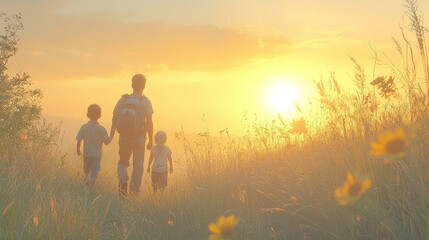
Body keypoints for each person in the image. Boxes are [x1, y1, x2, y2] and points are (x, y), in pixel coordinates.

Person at [110, 74, 153, 198]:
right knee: (138, 166)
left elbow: (114, 118)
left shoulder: (123, 99)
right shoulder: (145, 101)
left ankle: (123, 178)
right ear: (144, 86)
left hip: (124, 137)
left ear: (132, 85)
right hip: (140, 138)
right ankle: (134, 192)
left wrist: (112, 135)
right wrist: (150, 140)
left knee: (123, 161)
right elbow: (149, 122)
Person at [76, 104, 111, 189]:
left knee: (86, 171)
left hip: (87, 153)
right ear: (100, 116)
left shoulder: (84, 127)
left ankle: (84, 186)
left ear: (87, 115)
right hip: (97, 155)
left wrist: (78, 150)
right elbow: (107, 142)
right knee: (94, 173)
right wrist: (112, 134)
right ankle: (91, 188)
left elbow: (79, 140)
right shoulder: (102, 129)